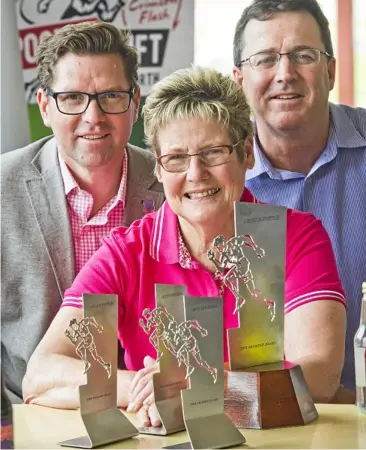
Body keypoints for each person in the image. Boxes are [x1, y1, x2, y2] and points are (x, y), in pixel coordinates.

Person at [23, 67, 346, 427]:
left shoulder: (297, 237)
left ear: (247, 153)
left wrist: (200, 383)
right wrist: (144, 387)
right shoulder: (126, 253)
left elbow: (318, 379)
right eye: (176, 158)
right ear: (159, 170)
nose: (195, 174)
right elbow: (41, 376)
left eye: (212, 153)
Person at [1, 21, 164, 404]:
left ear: (135, 103)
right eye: (73, 98)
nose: (93, 116)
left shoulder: (173, 183)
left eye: (110, 96)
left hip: (149, 410)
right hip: (28, 412)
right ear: (45, 106)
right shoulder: (3, 190)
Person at [232, 0, 366, 398]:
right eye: (266, 59)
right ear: (238, 80)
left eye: (303, 56)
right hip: (264, 413)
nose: (285, 74)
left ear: (330, 70)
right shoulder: (213, 179)